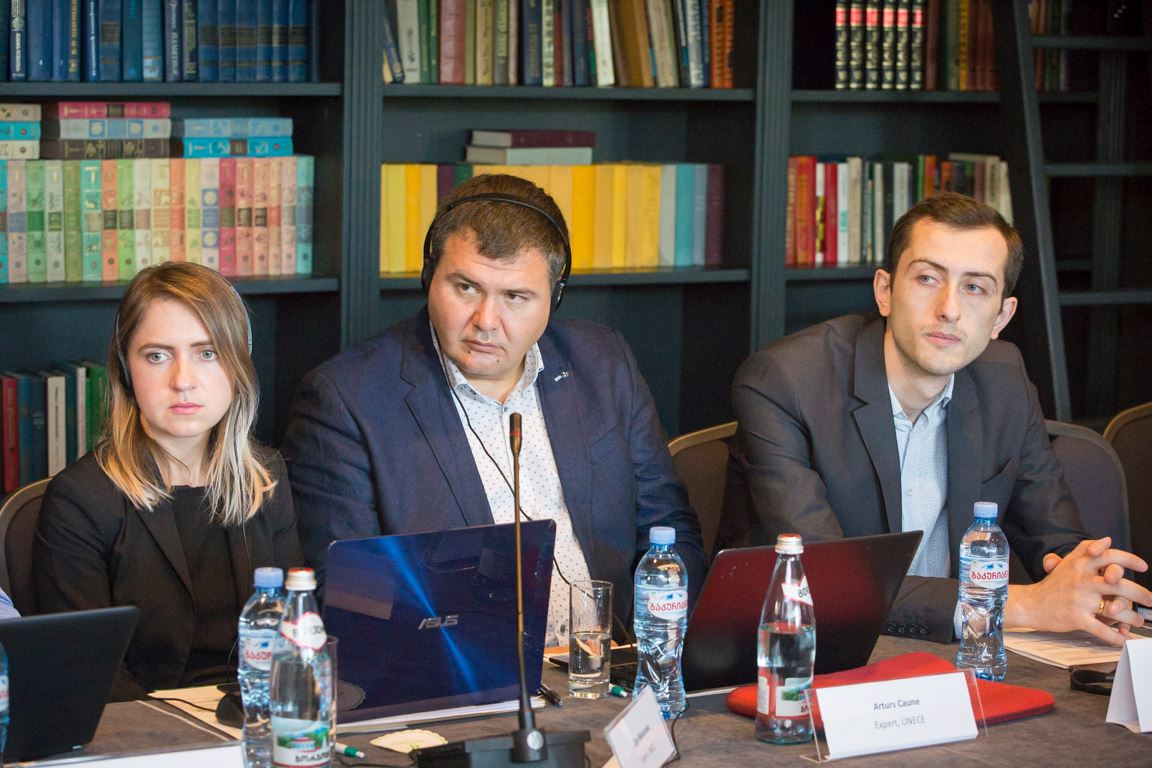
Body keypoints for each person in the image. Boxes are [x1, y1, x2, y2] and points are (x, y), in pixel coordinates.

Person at [282, 173, 704, 643]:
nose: (486, 321)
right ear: (429, 277)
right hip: (464, 676)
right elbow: (354, 600)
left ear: (555, 297)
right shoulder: (347, 400)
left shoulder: (604, 363)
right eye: (465, 287)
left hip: (614, 663)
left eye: (515, 297)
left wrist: (657, 652)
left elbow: (667, 529)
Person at [717, 192, 1151, 644]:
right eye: (927, 278)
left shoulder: (1004, 380)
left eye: (975, 287)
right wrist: (1016, 605)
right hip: (805, 655)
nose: (949, 308)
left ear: (1001, 316)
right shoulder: (783, 382)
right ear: (885, 291)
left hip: (955, 657)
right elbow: (824, 580)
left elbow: (1057, 544)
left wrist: (1096, 588)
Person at [33, 262, 301, 701]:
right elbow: (91, 678)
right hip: (143, 728)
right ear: (126, 369)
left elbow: (293, 637)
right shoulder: (81, 499)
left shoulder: (266, 478)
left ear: (238, 364)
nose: (183, 381)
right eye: (157, 356)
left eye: (207, 353)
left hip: (257, 718)